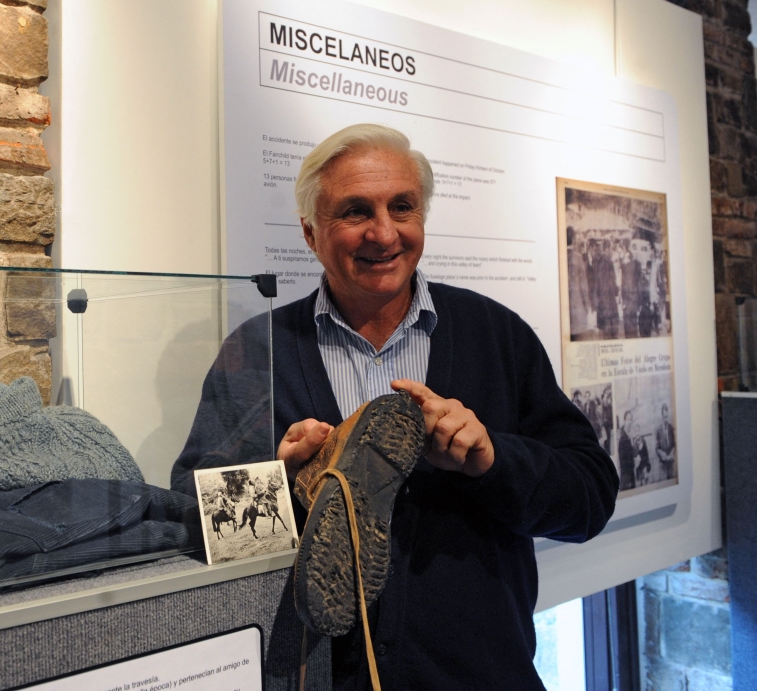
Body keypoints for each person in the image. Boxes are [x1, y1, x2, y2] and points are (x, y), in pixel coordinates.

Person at [172, 124, 618, 690]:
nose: (383, 233)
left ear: (422, 218)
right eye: (355, 211)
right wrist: (279, 482)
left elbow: (590, 499)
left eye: (401, 207)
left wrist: (492, 459)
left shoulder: (496, 335)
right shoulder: (258, 352)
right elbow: (191, 517)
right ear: (311, 233)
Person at [655, 403, 676, 480]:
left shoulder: (671, 428)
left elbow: (674, 444)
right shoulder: (658, 430)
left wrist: (671, 453)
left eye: (667, 417)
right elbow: (657, 448)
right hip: (663, 464)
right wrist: (662, 454)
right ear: (661, 416)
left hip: (671, 462)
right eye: (664, 417)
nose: (665, 419)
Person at [618, 411, 636, 491]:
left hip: (631, 470)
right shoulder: (622, 437)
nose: (629, 422)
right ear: (624, 421)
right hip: (626, 473)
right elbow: (623, 459)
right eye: (627, 419)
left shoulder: (630, 435)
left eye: (630, 419)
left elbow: (634, 453)